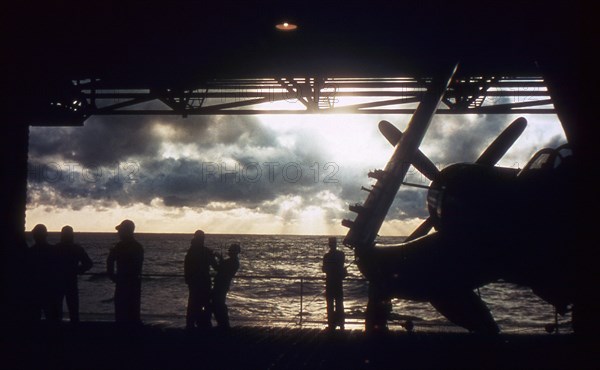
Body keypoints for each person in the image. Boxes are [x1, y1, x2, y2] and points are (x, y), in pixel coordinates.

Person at [106, 219, 144, 325]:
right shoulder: (138, 247)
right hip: (134, 283)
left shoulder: (120, 247)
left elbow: (110, 261)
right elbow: (138, 266)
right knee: (133, 310)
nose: (118, 233)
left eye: (121, 230)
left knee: (122, 311)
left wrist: (113, 276)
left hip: (123, 282)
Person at [55, 225, 93, 323]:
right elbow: (88, 263)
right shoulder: (77, 248)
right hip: (71, 281)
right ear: (72, 235)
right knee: (73, 310)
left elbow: (48, 265)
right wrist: (79, 270)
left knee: (56, 309)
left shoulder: (56, 248)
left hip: (58, 281)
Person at [27, 224, 62, 322]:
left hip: (34, 290)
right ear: (46, 235)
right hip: (51, 289)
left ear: (34, 236)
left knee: (34, 319)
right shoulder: (54, 251)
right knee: (52, 319)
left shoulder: (30, 253)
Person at [184, 230, 217, 330]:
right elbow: (215, 267)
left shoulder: (191, 251)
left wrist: (188, 279)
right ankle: (205, 324)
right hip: (204, 281)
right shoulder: (205, 251)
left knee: (193, 304)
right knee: (206, 304)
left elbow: (186, 266)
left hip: (193, 282)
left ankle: (191, 324)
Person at [212, 243, 240, 329]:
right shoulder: (234, 261)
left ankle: (223, 324)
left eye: (230, 250)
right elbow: (222, 266)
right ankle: (223, 323)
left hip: (221, 285)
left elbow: (218, 268)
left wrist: (213, 259)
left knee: (218, 304)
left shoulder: (232, 262)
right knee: (219, 304)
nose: (229, 251)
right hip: (223, 285)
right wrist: (220, 259)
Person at [322, 236, 346, 331]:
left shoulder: (327, 256)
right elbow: (341, 266)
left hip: (330, 283)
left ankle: (331, 324)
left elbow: (324, 269)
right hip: (338, 283)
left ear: (329, 244)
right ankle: (341, 324)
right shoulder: (341, 255)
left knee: (330, 305)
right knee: (339, 304)